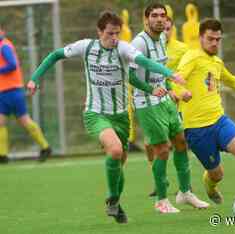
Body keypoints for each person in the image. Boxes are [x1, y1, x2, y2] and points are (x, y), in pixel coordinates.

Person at [27, 11, 183, 223]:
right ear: (99, 32)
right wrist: (35, 79)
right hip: (95, 113)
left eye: (117, 33)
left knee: (119, 163)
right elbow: (55, 55)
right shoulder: (86, 46)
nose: (114, 38)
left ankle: (115, 202)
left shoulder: (123, 48)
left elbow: (142, 63)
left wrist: (157, 81)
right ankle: (112, 200)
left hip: (120, 117)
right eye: (110, 34)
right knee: (116, 149)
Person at [175, 18, 235, 212]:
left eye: (218, 39)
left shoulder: (216, 62)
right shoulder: (192, 57)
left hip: (219, 121)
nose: (214, 43)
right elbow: (175, 79)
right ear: (200, 38)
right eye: (210, 39)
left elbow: (233, 81)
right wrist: (181, 92)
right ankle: (210, 186)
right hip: (196, 129)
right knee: (216, 175)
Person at [130, 3, 209, 213]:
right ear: (146, 19)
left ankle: (185, 192)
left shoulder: (163, 38)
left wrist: (169, 90)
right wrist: (150, 88)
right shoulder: (138, 43)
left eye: (162, 16)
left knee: (181, 142)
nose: (159, 19)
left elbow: (161, 73)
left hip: (165, 100)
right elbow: (129, 76)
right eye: (154, 16)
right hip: (146, 103)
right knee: (162, 150)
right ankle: (162, 200)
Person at [146, 16, 192, 197]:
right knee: (149, 144)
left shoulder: (182, 49)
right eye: (163, 28)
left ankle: (185, 185)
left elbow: (185, 75)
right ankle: (158, 181)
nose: (166, 31)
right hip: (154, 100)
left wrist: (181, 92)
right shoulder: (150, 46)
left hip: (176, 101)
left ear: (173, 29)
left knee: (179, 141)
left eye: (168, 28)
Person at [0, 27, 51, 164]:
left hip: (12, 91)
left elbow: (12, 64)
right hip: (4, 92)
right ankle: (3, 155)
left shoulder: (4, 46)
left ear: (2, 31)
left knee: (24, 121)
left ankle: (45, 147)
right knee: (1, 122)